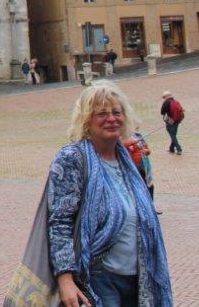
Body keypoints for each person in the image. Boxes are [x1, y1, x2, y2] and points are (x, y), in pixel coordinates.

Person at [47, 81, 171, 307]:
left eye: (117, 112)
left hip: (140, 276)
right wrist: (65, 279)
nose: (112, 118)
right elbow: (59, 223)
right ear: (86, 120)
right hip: (99, 276)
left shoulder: (124, 158)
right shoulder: (72, 158)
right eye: (101, 113)